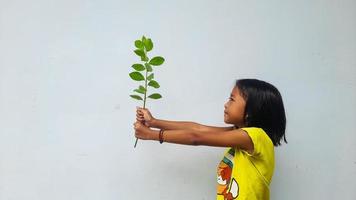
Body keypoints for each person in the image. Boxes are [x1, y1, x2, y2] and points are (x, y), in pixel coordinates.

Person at [133, 78, 287, 200]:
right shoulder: (241, 135)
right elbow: (197, 129)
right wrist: (154, 122)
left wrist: (151, 135)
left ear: (251, 111)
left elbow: (196, 137)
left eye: (232, 100)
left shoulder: (255, 136)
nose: (226, 105)